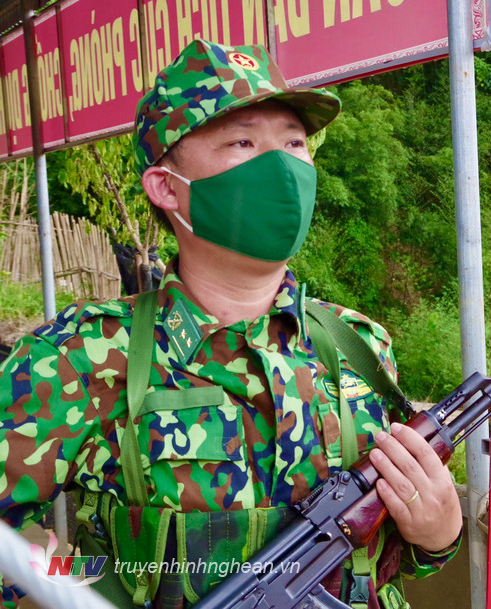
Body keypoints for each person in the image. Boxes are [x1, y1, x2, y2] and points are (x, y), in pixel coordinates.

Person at [0, 39, 463, 608]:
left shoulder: (357, 345)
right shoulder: (81, 356)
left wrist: (437, 535)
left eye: (293, 142)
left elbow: (379, 553)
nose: (282, 167)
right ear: (166, 187)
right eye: (243, 142)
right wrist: (71, 588)